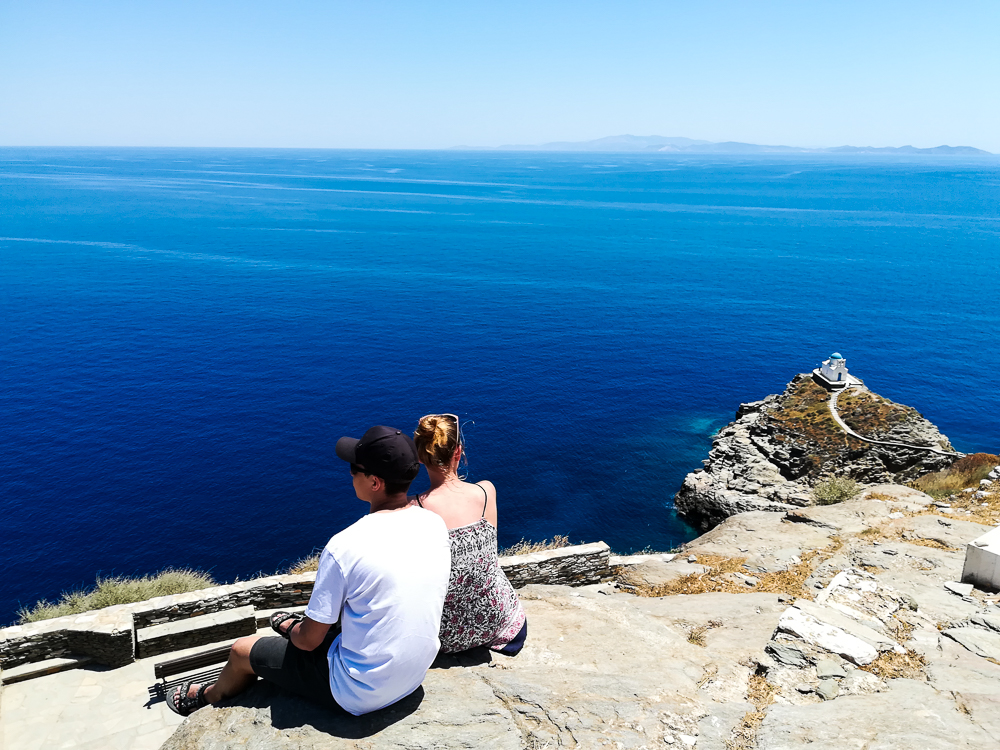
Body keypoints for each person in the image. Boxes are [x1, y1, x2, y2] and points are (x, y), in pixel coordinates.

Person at [169, 425, 451, 717]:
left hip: (358, 692)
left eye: (355, 468)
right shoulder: (434, 524)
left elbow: (309, 642)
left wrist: (299, 634)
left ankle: (208, 697)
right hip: (414, 675)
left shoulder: (346, 546)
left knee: (242, 650)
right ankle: (293, 626)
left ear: (375, 482)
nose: (350, 473)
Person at [412, 414, 527, 655]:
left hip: (445, 636)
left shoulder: (414, 509)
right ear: (459, 452)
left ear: (420, 457)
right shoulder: (485, 492)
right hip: (501, 623)